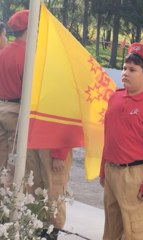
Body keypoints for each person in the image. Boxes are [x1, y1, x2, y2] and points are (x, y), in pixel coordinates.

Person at [0, 10, 72, 239]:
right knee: (50, 181)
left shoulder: (5, 54)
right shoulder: (34, 58)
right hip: (32, 122)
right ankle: (50, 227)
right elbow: (58, 103)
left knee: (21, 176)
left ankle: (31, 222)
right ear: (31, 30)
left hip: (16, 121)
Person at [99, 43, 143, 240]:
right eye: (124, 68)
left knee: (135, 231)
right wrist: (103, 169)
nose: (125, 73)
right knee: (111, 228)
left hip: (135, 175)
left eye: (132, 70)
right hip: (112, 171)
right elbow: (109, 137)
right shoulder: (115, 98)